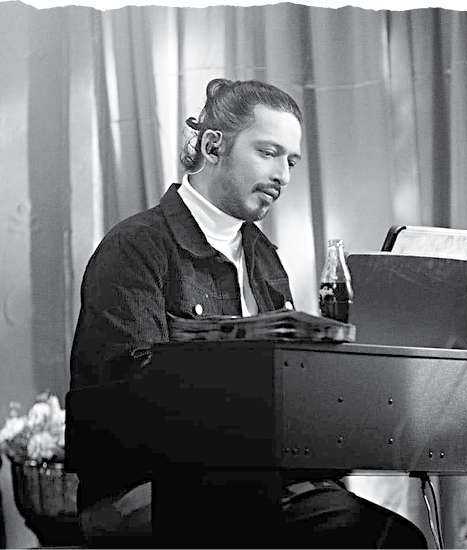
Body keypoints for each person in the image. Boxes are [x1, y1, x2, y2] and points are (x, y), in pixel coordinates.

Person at [69, 78, 427, 548]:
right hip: (150, 489)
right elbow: (124, 398)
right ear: (213, 146)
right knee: (364, 535)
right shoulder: (135, 248)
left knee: (392, 536)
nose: (283, 175)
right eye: (268, 152)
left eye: (291, 161)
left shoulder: (265, 257)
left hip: (259, 482)